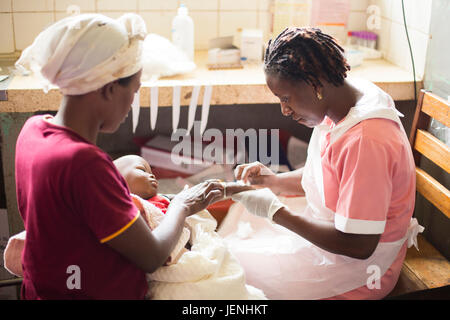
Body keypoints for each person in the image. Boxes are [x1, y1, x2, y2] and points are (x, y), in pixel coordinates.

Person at [13, 13, 224, 300]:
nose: (132, 103)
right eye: (134, 90)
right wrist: (183, 205)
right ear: (109, 89)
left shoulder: (33, 131)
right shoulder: (84, 163)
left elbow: (67, 203)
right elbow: (151, 256)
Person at [219, 27, 421, 300]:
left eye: (286, 98)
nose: (284, 110)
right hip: (342, 240)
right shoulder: (344, 99)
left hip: (363, 272)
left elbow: (359, 244)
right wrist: (275, 182)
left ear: (316, 86)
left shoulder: (366, 140)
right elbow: (332, 175)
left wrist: (276, 213)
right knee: (233, 236)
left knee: (226, 273)